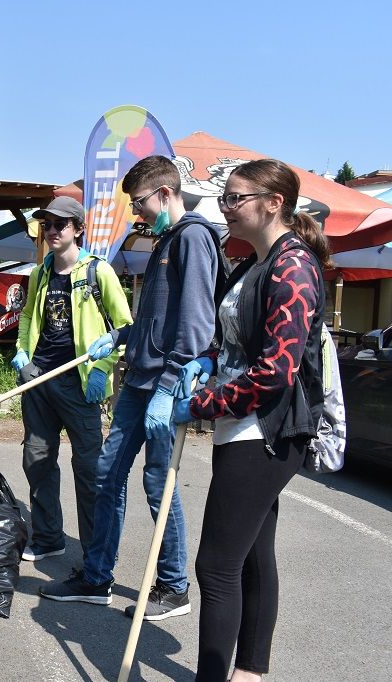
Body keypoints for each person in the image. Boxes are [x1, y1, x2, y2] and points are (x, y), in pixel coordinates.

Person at [40, 155, 220, 620]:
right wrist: (120, 336)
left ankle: (173, 586)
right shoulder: (164, 241)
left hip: (165, 383)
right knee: (106, 474)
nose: (136, 213)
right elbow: (156, 319)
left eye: (139, 203)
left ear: (165, 193)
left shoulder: (194, 237)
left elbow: (197, 319)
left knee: (159, 483)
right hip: (139, 379)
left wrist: (170, 382)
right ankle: (97, 578)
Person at [172, 159, 331, 682]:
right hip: (240, 427)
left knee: (216, 568)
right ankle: (249, 673)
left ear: (273, 202)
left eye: (235, 199)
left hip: (266, 431)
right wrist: (207, 361)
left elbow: (275, 372)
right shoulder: (252, 263)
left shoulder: (293, 266)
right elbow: (237, 342)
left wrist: (201, 406)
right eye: (225, 199)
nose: (226, 208)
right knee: (253, 556)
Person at [12, 197, 132, 561]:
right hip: (38, 379)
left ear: (78, 229)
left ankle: (95, 553)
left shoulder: (99, 272)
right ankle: (48, 538)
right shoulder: (39, 273)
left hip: (80, 384)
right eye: (46, 224)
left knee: (90, 469)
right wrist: (22, 355)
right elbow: (29, 319)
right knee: (37, 459)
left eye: (60, 225)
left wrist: (101, 369)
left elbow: (125, 328)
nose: (51, 231)